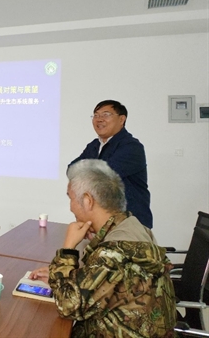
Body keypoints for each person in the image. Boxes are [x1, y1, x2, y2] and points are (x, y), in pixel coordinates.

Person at [29, 159, 176, 338]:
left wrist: (68, 250)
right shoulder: (132, 225)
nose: (70, 207)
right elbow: (105, 282)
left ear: (87, 201)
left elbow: (67, 307)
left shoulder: (113, 252)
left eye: (70, 198)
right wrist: (63, 277)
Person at [69, 100, 153, 229]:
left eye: (106, 115)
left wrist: (86, 169)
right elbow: (71, 169)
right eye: (96, 115)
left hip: (129, 223)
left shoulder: (132, 147)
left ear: (121, 119)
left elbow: (104, 175)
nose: (99, 119)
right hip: (100, 222)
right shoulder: (94, 145)